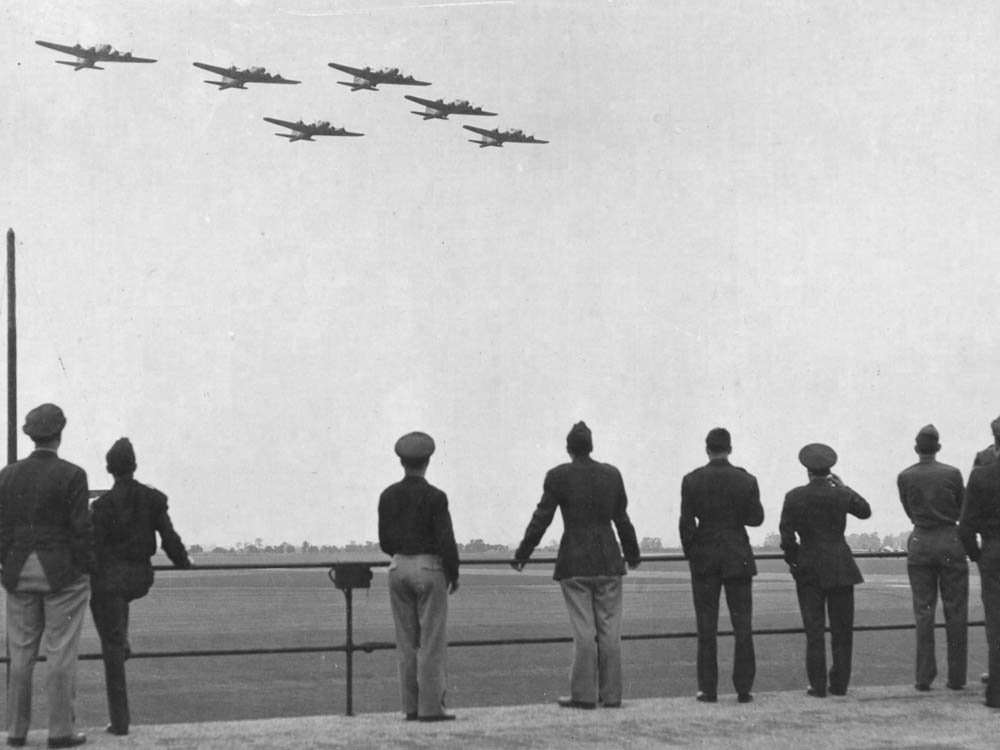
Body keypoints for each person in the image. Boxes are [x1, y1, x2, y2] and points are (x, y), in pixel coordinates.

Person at [511, 421, 640, 709]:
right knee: (610, 630)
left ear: (568, 448)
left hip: (575, 562)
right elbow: (622, 519)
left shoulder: (558, 476)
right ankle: (613, 695)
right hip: (609, 560)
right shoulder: (612, 474)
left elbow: (541, 518)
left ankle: (583, 694)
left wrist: (523, 554)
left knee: (584, 631)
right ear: (591, 446)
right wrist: (632, 554)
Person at [0, 404, 93, 748]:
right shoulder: (73, 474)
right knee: (60, 652)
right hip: (61, 576)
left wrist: (6, 564)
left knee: (20, 655)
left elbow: (2, 529)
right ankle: (60, 731)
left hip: (18, 572)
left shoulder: (6, 475)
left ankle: (16, 731)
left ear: (30, 434)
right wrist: (85, 566)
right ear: (59, 433)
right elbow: (81, 530)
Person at [89, 438, 191, 736]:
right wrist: (183, 562)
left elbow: (94, 551)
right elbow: (170, 538)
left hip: (110, 582)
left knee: (109, 638)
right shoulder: (153, 498)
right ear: (134, 466)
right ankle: (120, 638)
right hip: (140, 578)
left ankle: (120, 723)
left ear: (109, 469)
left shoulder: (102, 506)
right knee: (114, 615)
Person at [378, 431, 459, 722]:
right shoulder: (436, 497)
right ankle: (431, 708)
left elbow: (385, 542)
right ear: (427, 461)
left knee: (406, 641)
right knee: (431, 641)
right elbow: (446, 541)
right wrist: (454, 573)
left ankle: (410, 708)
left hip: (397, 568)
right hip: (429, 569)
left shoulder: (387, 495)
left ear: (401, 462)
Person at [679, 427, 764, 703]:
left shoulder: (692, 480)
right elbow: (756, 519)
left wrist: (693, 551)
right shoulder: (746, 479)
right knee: (743, 626)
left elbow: (686, 522)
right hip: (737, 554)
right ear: (730, 448)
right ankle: (743, 688)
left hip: (704, 556)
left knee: (706, 627)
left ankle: (708, 688)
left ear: (707, 449)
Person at [779, 443, 871, 698]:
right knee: (842, 631)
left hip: (809, 566)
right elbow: (865, 511)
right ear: (829, 470)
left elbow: (787, 536)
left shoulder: (794, 496)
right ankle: (839, 683)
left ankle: (817, 685)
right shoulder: (840, 494)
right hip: (840, 565)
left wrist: (794, 562)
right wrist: (844, 487)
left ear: (807, 470)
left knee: (814, 630)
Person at [897, 424, 968, 691]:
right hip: (950, 541)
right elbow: (961, 507)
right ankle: (957, 677)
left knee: (924, 612)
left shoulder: (905, 476)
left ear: (917, 449)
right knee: (956, 611)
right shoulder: (952, 473)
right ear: (938, 448)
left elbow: (908, 509)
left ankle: (923, 677)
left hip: (921, 542)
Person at [959, 444, 1000, 708]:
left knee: (996, 623)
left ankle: (995, 693)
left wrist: (977, 555)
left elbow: (965, 527)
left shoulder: (981, 476)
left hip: (993, 552)